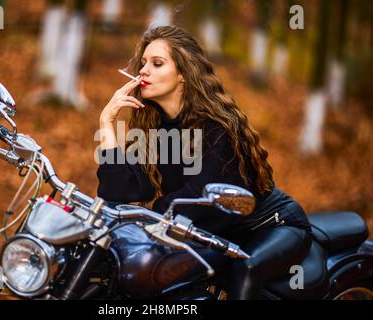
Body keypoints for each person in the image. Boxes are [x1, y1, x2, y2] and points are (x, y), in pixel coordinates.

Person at [96, 25, 312, 300]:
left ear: (184, 74)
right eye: (143, 63)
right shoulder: (152, 128)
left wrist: (156, 214)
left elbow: (202, 195)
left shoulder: (218, 126)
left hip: (272, 225)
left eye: (157, 63)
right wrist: (107, 122)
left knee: (246, 267)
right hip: (215, 233)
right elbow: (119, 192)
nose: (143, 71)